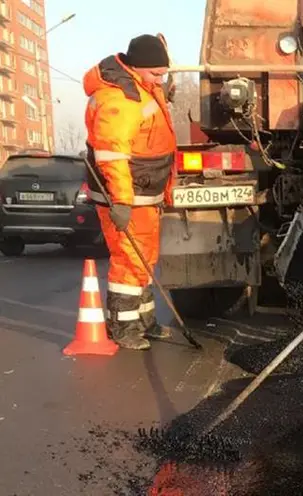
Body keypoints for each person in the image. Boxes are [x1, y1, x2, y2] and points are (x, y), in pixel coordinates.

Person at [83, 34, 177, 350]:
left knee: (145, 259)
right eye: (157, 73)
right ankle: (122, 329)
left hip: (142, 194)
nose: (161, 79)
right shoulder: (119, 101)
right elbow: (112, 156)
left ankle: (144, 322)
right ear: (137, 67)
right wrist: (121, 202)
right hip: (128, 196)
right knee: (129, 260)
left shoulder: (142, 87)